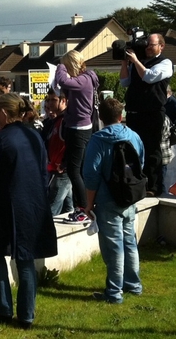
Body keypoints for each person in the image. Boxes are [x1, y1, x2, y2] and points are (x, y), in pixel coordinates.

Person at [0, 93, 57, 329]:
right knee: (25, 259)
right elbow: (43, 168)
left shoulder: (0, 139)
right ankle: (26, 315)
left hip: (3, 205)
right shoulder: (34, 135)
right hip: (32, 203)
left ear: (3, 112)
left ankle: (3, 307)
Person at [83, 97, 144, 304]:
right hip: (129, 197)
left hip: (107, 199)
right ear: (121, 116)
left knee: (114, 247)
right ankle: (133, 285)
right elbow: (140, 164)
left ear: (100, 117)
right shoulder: (134, 136)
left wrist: (89, 203)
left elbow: (91, 174)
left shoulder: (98, 140)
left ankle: (114, 292)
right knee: (129, 242)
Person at [120, 33, 173, 196]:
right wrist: (124, 62)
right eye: (147, 45)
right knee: (134, 150)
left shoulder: (165, 63)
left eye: (152, 45)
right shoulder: (139, 62)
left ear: (161, 46)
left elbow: (149, 77)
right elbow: (124, 82)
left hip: (153, 113)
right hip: (135, 112)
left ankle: (154, 187)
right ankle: (137, 183)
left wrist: (135, 61)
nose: (148, 48)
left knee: (152, 151)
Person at [54, 50, 99, 222]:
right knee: (77, 169)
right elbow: (63, 85)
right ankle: (84, 207)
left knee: (74, 170)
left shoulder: (84, 80)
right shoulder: (82, 80)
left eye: (66, 66)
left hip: (79, 129)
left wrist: (59, 67)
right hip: (77, 127)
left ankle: (83, 209)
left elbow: (63, 80)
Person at [40, 89, 72, 215]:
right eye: (48, 100)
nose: (50, 103)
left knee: (51, 211)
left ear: (63, 101)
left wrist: (65, 164)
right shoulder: (55, 121)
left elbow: (73, 145)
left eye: (54, 100)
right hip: (55, 169)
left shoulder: (66, 121)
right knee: (68, 208)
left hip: (62, 171)